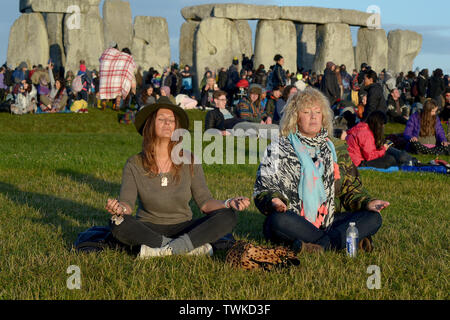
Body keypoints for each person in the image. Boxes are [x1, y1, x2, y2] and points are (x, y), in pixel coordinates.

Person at [105, 97, 250, 258]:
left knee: (228, 215)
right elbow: (127, 204)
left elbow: (205, 202)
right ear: (150, 124)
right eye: (161, 119)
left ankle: (163, 250)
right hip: (148, 227)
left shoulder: (190, 160)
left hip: (184, 227)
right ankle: (182, 248)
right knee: (116, 221)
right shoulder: (135, 163)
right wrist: (120, 209)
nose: (167, 123)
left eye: (171, 120)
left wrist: (228, 203)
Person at [253, 87, 387, 254]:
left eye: (317, 111)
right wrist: (274, 200)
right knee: (278, 221)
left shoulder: (337, 148)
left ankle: (319, 246)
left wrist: (367, 202)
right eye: (307, 112)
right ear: (295, 117)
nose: (314, 116)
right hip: (294, 219)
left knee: (373, 217)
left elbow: (350, 189)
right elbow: (264, 188)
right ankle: (343, 240)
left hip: (329, 219)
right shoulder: (279, 148)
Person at [346, 111, 415, 168]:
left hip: (355, 160)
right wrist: (383, 149)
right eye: (383, 124)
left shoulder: (361, 128)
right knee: (390, 159)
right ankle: (410, 161)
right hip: (359, 163)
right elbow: (370, 156)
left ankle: (411, 160)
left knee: (389, 151)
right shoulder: (365, 133)